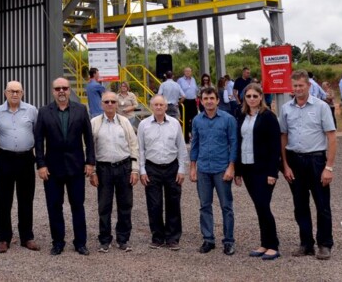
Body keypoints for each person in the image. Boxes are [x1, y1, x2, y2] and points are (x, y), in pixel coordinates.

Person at [279, 70, 337, 260]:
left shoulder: (321, 107)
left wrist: (328, 167)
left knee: (322, 204)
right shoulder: (286, 108)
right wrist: (285, 165)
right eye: (294, 86)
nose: (297, 89)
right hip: (295, 160)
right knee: (300, 205)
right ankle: (306, 243)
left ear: (309, 86)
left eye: (301, 85)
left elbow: (331, 137)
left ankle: (324, 244)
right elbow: (283, 136)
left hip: (316, 160)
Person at [34, 77, 96, 256]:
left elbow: (88, 138)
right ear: (53, 91)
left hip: (76, 167)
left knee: (78, 205)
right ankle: (58, 242)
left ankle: (80, 243)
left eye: (65, 88)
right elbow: (39, 141)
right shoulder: (44, 112)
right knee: (54, 206)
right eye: (58, 88)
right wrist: (41, 164)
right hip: (52, 169)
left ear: (69, 90)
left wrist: (90, 162)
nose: (61, 91)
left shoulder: (81, 110)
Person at [0, 80, 40, 253]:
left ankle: (27, 237)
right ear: (5, 93)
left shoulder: (32, 111)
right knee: (3, 199)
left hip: (27, 158)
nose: (14, 94)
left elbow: (37, 133)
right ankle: (4, 238)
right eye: (11, 91)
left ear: (23, 93)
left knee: (26, 198)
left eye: (18, 91)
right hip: (5, 158)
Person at [235, 83, 282, 261]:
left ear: (261, 97)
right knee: (259, 207)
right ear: (244, 98)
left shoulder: (268, 116)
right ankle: (264, 243)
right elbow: (239, 143)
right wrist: (238, 171)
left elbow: (275, 146)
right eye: (249, 96)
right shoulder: (241, 116)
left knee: (264, 206)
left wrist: (273, 172)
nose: (252, 99)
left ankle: (273, 245)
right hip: (247, 168)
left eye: (255, 96)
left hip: (264, 170)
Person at [189, 86, 237, 256]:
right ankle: (208, 239)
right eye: (205, 99)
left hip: (221, 168)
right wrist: (192, 167)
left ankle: (229, 241)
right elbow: (194, 145)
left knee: (226, 206)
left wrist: (231, 167)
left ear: (217, 100)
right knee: (204, 206)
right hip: (203, 169)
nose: (209, 101)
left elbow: (233, 144)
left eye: (212, 98)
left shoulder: (228, 119)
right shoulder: (196, 120)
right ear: (201, 101)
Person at [90, 91, 139, 253]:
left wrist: (135, 169)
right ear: (101, 104)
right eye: (107, 102)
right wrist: (93, 172)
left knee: (125, 205)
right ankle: (104, 240)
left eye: (113, 101)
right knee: (104, 206)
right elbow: (90, 149)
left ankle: (123, 239)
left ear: (117, 104)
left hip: (124, 167)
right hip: (103, 169)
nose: (110, 104)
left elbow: (134, 145)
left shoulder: (124, 122)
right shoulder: (95, 123)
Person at [137, 95, 187, 250]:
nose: (159, 107)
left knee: (173, 202)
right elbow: (141, 149)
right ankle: (157, 236)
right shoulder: (144, 125)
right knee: (154, 203)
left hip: (172, 167)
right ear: (151, 106)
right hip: (152, 167)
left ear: (166, 107)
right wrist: (142, 170)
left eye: (161, 105)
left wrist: (181, 169)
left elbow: (181, 147)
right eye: (156, 104)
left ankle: (173, 238)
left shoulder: (174, 124)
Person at [178, 68, 200, 141]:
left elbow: (196, 89)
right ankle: (186, 138)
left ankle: (194, 136)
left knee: (195, 119)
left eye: (189, 71)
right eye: (186, 71)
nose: (187, 72)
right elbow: (178, 90)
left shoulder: (193, 79)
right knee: (185, 119)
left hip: (193, 101)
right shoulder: (180, 80)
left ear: (191, 72)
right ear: (184, 72)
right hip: (185, 101)